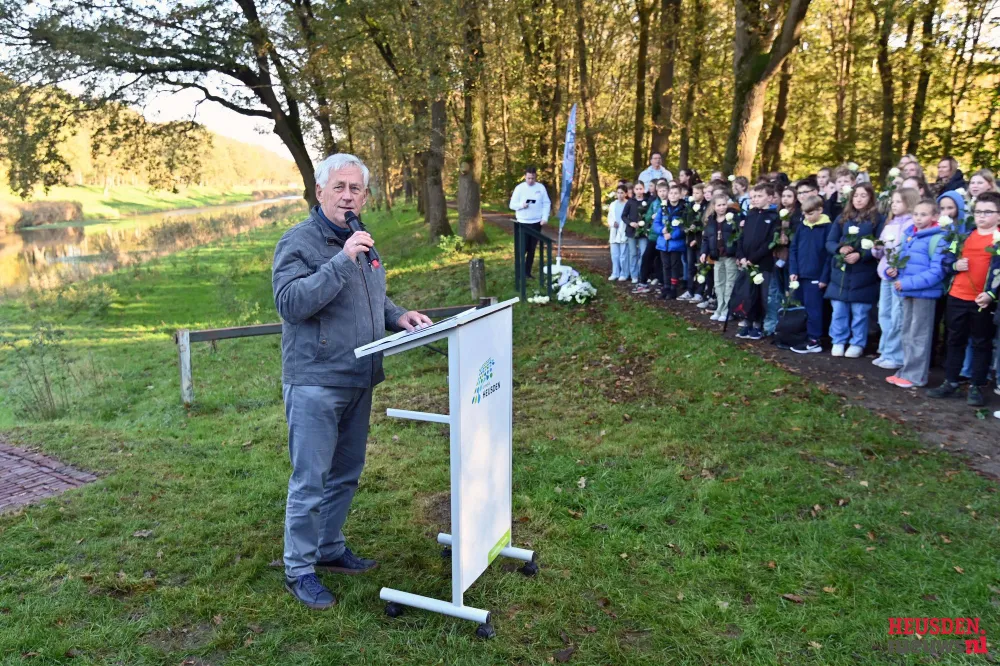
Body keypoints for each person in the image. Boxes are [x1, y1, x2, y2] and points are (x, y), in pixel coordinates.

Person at [271, 153, 433, 610]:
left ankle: (328, 548)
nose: (347, 196)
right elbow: (290, 304)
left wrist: (398, 315)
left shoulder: (360, 236)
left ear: (365, 196)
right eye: (339, 187)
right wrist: (341, 261)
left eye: (355, 189)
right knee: (310, 480)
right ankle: (299, 569)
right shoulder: (299, 242)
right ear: (320, 191)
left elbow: (371, 295)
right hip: (316, 380)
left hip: (359, 375)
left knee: (345, 473)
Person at [927, 192, 1000, 406]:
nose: (981, 216)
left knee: (981, 343)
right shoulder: (962, 237)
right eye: (978, 211)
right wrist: (954, 265)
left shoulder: (998, 240)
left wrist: (991, 294)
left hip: (982, 300)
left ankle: (976, 386)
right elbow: (947, 260)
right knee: (954, 340)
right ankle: (951, 381)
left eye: (988, 212)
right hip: (957, 296)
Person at [885, 199, 949, 389]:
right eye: (916, 214)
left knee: (919, 335)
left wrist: (906, 283)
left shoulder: (939, 238)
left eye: (924, 214)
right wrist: (893, 271)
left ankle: (916, 376)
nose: (918, 218)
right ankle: (906, 370)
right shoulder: (910, 235)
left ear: (935, 216)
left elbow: (937, 271)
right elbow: (903, 262)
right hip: (908, 291)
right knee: (907, 332)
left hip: (924, 293)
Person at [824, 183, 884, 358]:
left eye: (863, 196)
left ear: (871, 198)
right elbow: (830, 241)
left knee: (860, 312)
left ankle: (857, 342)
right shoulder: (842, 217)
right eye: (856, 195)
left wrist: (862, 255)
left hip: (863, 273)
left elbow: (880, 244)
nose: (859, 199)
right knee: (839, 310)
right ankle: (838, 340)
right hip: (841, 273)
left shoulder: (878, 219)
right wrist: (840, 249)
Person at [871, 188, 919, 370]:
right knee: (884, 313)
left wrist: (898, 267)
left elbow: (910, 252)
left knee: (897, 315)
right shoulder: (889, 223)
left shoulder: (912, 225)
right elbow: (881, 252)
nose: (894, 204)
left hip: (899, 276)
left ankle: (896, 354)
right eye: (893, 201)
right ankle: (885, 351)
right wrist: (876, 248)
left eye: (899, 201)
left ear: (909, 202)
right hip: (885, 274)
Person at [788, 195, 833, 353]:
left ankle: (815, 340)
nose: (807, 217)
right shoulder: (802, 227)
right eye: (805, 214)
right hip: (801, 275)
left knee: (814, 309)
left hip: (816, 276)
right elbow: (794, 249)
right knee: (804, 307)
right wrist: (793, 270)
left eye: (811, 213)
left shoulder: (828, 228)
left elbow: (829, 256)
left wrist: (824, 277)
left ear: (820, 210)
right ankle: (806, 336)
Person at [736, 182, 780, 340]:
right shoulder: (751, 214)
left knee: (761, 294)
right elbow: (742, 237)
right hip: (746, 262)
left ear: (770, 198)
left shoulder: (774, 217)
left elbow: (770, 242)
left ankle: (758, 324)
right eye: (753, 196)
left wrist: (753, 258)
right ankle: (747, 321)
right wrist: (741, 255)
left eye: (759, 196)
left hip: (763, 263)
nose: (755, 199)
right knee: (748, 293)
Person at [508, 165, 551, 279]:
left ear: (535, 177)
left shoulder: (540, 188)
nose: (530, 180)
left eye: (533, 178)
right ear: (525, 177)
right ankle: (520, 272)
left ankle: (527, 273)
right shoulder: (519, 188)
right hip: (522, 222)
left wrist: (544, 218)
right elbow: (512, 205)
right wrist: (521, 205)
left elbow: (546, 203)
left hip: (536, 222)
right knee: (522, 248)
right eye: (528, 178)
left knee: (532, 249)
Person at [702, 196, 740, 321]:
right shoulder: (711, 221)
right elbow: (706, 239)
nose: (722, 207)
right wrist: (704, 252)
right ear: (714, 207)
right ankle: (720, 308)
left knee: (730, 283)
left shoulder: (734, 218)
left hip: (730, 256)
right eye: (719, 205)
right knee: (719, 283)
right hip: (717, 256)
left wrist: (739, 254)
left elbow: (739, 237)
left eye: (724, 204)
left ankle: (727, 310)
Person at [652, 182, 687, 299]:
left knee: (674, 266)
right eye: (671, 193)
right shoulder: (663, 208)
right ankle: (666, 287)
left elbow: (684, 227)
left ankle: (673, 288)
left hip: (675, 243)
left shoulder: (683, 209)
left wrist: (672, 235)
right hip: (663, 243)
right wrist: (662, 230)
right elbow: (656, 223)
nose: (673, 195)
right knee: (665, 266)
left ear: (680, 195)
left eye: (676, 193)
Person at [680, 183, 708, 302]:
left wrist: (697, 238)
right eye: (693, 192)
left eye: (697, 193)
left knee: (700, 267)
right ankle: (690, 290)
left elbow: (705, 225)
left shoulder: (706, 206)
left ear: (703, 193)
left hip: (700, 242)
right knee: (690, 267)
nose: (694, 195)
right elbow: (683, 220)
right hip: (689, 240)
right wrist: (685, 228)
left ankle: (699, 292)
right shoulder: (689, 206)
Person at [621, 180, 653, 282]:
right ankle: (634, 275)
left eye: (640, 189)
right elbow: (624, 216)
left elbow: (649, 215)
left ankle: (642, 274)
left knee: (644, 254)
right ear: (634, 190)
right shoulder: (630, 202)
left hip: (643, 232)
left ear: (644, 189)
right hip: (631, 231)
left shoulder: (647, 201)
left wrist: (645, 223)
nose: (639, 191)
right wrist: (630, 223)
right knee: (633, 253)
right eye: (637, 189)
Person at [607, 183, 629, 281]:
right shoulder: (613, 204)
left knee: (623, 255)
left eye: (622, 193)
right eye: (618, 193)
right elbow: (609, 217)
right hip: (614, 230)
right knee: (614, 254)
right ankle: (615, 273)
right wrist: (612, 223)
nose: (620, 195)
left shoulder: (628, 204)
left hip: (623, 231)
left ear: (626, 194)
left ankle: (623, 273)